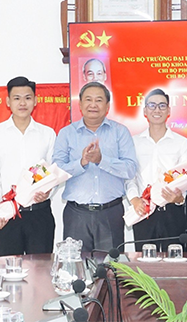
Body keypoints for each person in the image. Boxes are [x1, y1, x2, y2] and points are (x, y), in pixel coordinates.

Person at [53, 82, 137, 252]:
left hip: (111, 212)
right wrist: (81, 163)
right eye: (88, 99)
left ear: (107, 106)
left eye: (99, 100)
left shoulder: (120, 132)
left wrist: (101, 160)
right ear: (80, 104)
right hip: (76, 214)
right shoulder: (66, 133)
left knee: (110, 266)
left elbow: (130, 169)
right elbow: (57, 172)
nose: (93, 105)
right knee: (76, 265)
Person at [0, 76, 57, 256]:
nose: (22, 103)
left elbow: (53, 173)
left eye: (27, 98)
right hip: (7, 215)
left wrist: (48, 192)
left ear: (35, 101)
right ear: (8, 102)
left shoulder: (47, 134)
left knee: (40, 269)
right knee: (9, 269)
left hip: (39, 214)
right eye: (17, 98)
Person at [126, 89, 187, 252]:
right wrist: (134, 199)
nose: (157, 110)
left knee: (176, 260)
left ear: (169, 111)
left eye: (162, 106)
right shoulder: (133, 142)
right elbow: (130, 177)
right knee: (144, 261)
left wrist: (178, 198)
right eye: (152, 105)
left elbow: (186, 178)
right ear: (145, 111)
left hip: (172, 210)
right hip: (144, 210)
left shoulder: (182, 142)